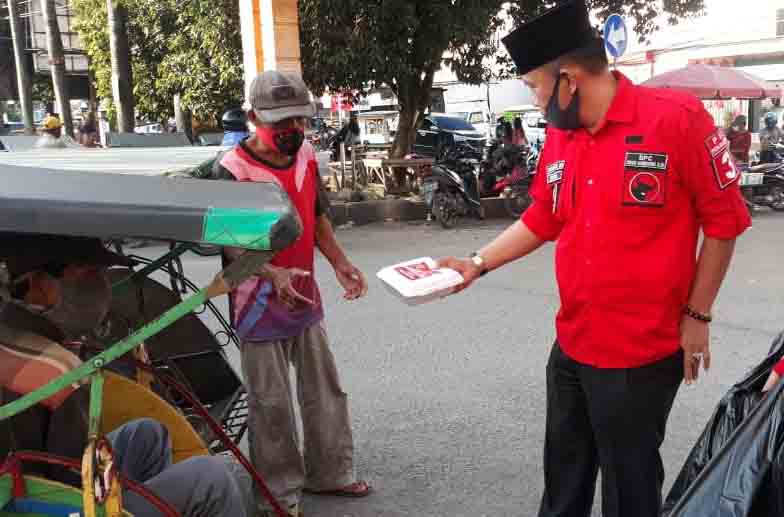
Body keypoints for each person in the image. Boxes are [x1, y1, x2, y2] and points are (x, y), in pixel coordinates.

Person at [437, 2, 751, 516]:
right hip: (573, 342)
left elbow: (724, 222)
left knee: (629, 492)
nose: (536, 103)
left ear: (569, 79)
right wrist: (477, 262)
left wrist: (697, 316)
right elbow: (544, 215)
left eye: (536, 87)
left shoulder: (676, 121)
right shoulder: (563, 134)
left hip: (639, 354)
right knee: (563, 480)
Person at [187, 71, 372, 517]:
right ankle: (279, 494)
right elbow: (232, 243)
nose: (292, 131)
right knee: (270, 403)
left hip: (304, 294)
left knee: (325, 389)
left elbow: (316, 213)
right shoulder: (232, 170)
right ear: (253, 118)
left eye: (299, 121)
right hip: (256, 303)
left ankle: (330, 473)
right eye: (281, 122)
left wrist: (340, 263)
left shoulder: (306, 153)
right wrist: (273, 275)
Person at [0, 234, 247, 517]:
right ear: (36, 285)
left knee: (147, 433)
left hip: (42, 480)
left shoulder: (12, 335)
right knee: (210, 479)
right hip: (54, 504)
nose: (99, 285)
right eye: (87, 273)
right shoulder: (56, 371)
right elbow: (69, 485)